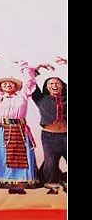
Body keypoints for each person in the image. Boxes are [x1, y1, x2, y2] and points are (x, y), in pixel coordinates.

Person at [0, 57, 41, 194]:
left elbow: (30, 81)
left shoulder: (22, 95)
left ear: (16, 86)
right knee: (2, 155)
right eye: (5, 83)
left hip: (20, 129)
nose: (8, 85)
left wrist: (23, 65)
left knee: (22, 156)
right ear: (0, 86)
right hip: (2, 130)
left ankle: (20, 183)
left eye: (11, 83)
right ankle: (2, 180)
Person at [31, 57, 67, 194]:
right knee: (50, 163)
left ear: (62, 86)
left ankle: (64, 179)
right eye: (51, 83)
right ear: (46, 87)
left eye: (57, 83)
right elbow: (30, 83)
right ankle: (52, 186)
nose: (54, 85)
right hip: (49, 137)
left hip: (66, 135)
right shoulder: (41, 98)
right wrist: (36, 68)